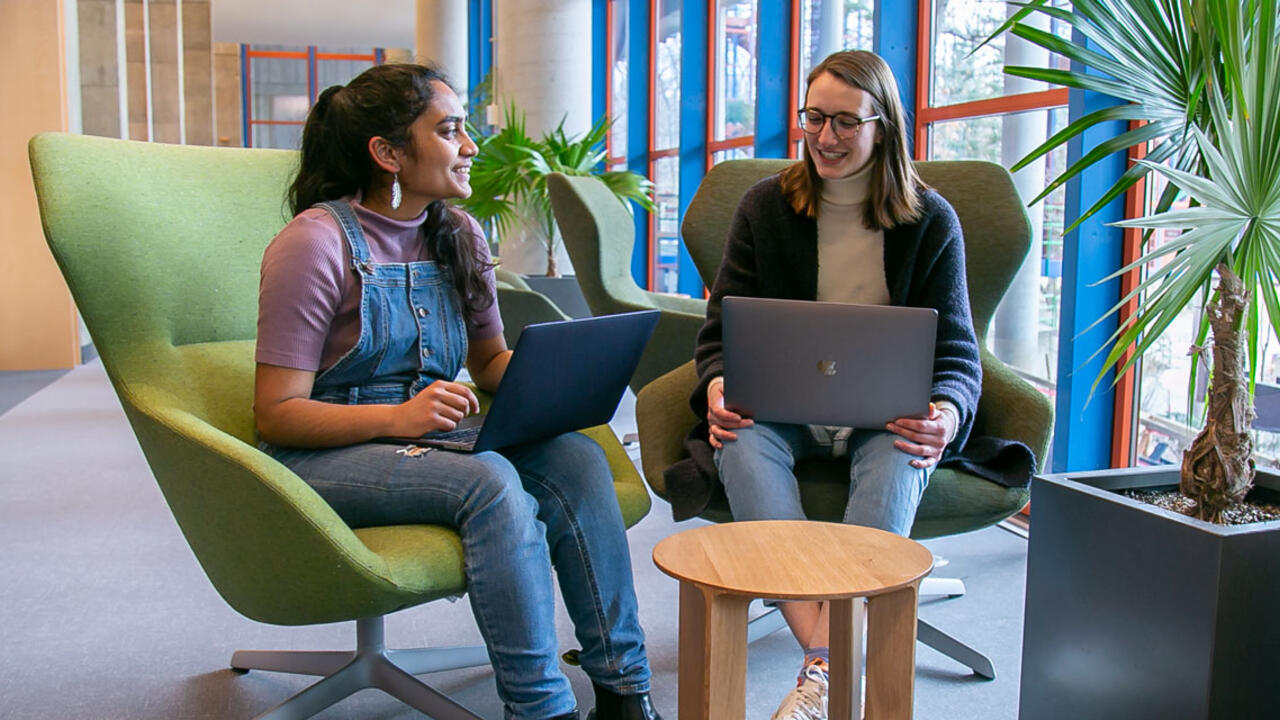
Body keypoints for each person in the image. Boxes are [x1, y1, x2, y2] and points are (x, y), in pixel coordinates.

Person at [253, 63, 661, 720]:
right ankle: (538, 710)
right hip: (324, 454)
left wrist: (560, 380)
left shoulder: (459, 234)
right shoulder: (314, 244)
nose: (471, 146)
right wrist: (399, 417)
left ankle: (624, 690)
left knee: (578, 460)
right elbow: (276, 416)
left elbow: (490, 361)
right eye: (448, 131)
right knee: (490, 481)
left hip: (434, 436)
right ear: (387, 153)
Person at [689, 50, 983, 719]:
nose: (825, 137)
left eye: (846, 122)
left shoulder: (930, 220)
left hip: (887, 416)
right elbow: (718, 333)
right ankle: (833, 657)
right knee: (738, 439)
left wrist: (944, 410)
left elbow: (961, 354)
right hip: (778, 407)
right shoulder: (766, 207)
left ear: (884, 126)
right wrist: (718, 384)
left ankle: (819, 668)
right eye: (814, 117)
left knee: (907, 444)